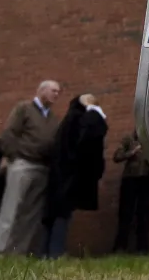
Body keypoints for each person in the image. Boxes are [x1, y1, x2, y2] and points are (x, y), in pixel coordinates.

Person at [0, 80, 62, 256]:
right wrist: (13, 156)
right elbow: (9, 133)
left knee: (31, 214)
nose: (56, 94)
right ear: (41, 91)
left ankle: (18, 252)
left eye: (58, 92)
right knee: (11, 208)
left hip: (42, 168)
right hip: (23, 163)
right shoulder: (24, 108)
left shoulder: (53, 119)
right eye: (53, 90)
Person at [44, 94, 109, 258]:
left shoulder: (68, 120)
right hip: (69, 176)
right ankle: (55, 253)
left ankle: (47, 251)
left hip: (60, 175)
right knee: (62, 214)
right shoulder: (83, 119)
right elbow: (90, 139)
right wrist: (95, 112)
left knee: (54, 214)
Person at [112, 108, 149, 254]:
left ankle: (142, 248)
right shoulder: (129, 137)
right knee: (125, 213)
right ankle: (120, 247)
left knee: (145, 213)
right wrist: (132, 152)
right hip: (130, 178)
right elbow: (117, 156)